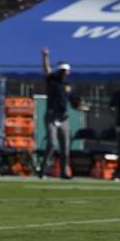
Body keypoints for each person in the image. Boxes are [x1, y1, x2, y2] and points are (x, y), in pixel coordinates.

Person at [39, 47, 76, 179]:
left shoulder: (69, 85)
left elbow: (73, 101)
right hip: (51, 116)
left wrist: (79, 105)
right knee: (51, 143)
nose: (63, 74)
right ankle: (43, 170)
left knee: (65, 147)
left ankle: (64, 172)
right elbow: (46, 70)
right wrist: (45, 57)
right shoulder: (52, 80)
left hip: (64, 117)